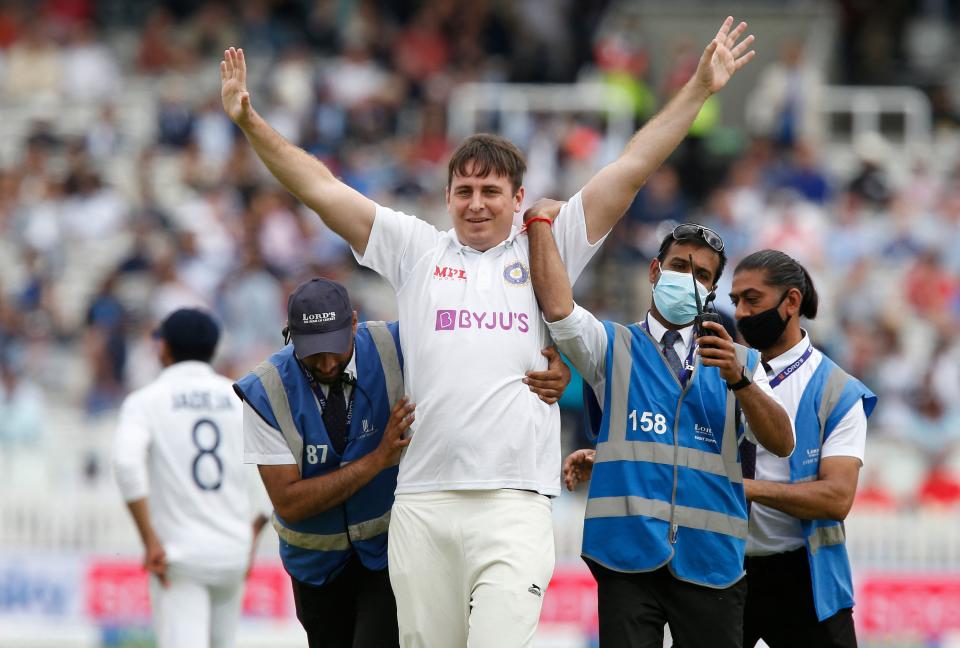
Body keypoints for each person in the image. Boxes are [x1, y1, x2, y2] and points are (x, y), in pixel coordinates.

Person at [220, 17, 755, 645]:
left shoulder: (547, 247)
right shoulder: (415, 249)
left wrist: (698, 88)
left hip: (514, 499)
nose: (476, 203)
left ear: (519, 195)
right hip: (422, 499)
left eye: (491, 191)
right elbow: (319, 188)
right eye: (464, 190)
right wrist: (251, 123)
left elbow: (631, 169)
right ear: (447, 196)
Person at [232, 277, 571, 647]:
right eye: (313, 352)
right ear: (289, 336)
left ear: (355, 323)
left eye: (335, 347)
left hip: (388, 551)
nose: (327, 362)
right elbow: (289, 503)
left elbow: (479, 357)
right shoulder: (264, 391)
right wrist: (377, 460)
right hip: (313, 567)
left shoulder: (400, 343)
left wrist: (551, 368)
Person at [529, 217, 795, 648]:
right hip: (626, 556)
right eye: (679, 268)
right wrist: (539, 221)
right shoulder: (610, 346)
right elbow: (559, 309)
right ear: (654, 272)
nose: (688, 281)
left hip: (712, 562)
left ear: (710, 293)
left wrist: (740, 380)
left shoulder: (741, 361)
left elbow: (783, 442)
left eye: (703, 275)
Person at [730, 251, 877, 648]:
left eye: (752, 299)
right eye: (735, 301)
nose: (741, 313)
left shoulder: (838, 390)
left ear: (791, 302)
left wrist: (743, 488)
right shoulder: (717, 370)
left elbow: (836, 498)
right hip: (724, 569)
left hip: (806, 577)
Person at [113, 308, 268, 648]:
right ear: (213, 350)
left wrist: (149, 540)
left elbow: (126, 465)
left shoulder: (144, 402)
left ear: (163, 347)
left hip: (178, 556)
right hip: (232, 553)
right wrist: (250, 539)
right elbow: (272, 474)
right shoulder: (241, 397)